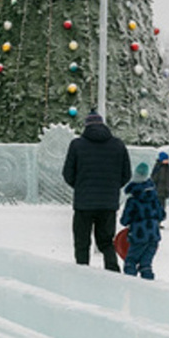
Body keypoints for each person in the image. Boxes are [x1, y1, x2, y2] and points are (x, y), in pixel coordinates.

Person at [62, 110, 132, 271]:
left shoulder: (77, 145)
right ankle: (112, 272)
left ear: (86, 126)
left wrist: (80, 187)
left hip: (83, 204)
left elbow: (68, 174)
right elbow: (126, 174)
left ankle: (82, 273)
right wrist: (112, 187)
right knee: (107, 242)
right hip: (108, 204)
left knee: (82, 242)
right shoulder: (118, 145)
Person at [121, 162, 165, 280]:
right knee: (146, 264)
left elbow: (125, 220)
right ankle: (148, 287)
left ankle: (130, 286)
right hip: (154, 236)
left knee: (131, 261)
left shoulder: (133, 199)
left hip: (139, 235)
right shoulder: (154, 197)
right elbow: (162, 215)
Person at [150, 151, 169, 223]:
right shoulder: (157, 168)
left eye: (167, 159)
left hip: (165, 192)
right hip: (157, 191)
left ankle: (159, 221)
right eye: (165, 159)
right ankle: (156, 221)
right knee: (157, 207)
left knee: (162, 207)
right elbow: (153, 179)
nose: (167, 161)